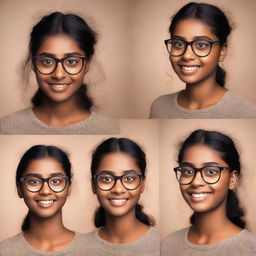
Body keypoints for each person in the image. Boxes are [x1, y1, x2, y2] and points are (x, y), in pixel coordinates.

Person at [0, 12, 119, 134]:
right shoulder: (6, 128)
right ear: (34, 64)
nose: (59, 74)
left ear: (86, 65)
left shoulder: (107, 129)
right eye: (47, 61)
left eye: (71, 62)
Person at [150, 2, 256, 118]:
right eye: (179, 44)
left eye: (201, 45)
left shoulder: (247, 113)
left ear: (222, 51)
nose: (187, 55)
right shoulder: (159, 106)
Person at [161, 129, 256, 255]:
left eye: (211, 171)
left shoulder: (250, 248)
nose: (196, 182)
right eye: (188, 172)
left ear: (232, 180)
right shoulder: (168, 245)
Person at [0, 145, 88, 255]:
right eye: (34, 181)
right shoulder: (4, 251)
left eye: (56, 181)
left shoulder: (92, 249)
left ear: (68, 188)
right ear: (20, 189)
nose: (45, 191)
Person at [82, 137, 160, 255]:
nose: (118, 189)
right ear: (94, 185)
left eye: (129, 178)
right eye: (107, 179)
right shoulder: (80, 247)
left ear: (142, 184)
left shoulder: (161, 245)